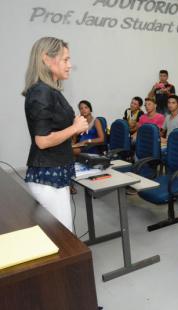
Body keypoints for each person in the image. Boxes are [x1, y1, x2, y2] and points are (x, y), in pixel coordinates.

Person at [23, 37, 88, 232]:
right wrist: (74, 128)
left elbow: (56, 128)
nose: (70, 65)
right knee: (63, 235)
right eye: (65, 59)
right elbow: (42, 141)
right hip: (48, 176)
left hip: (55, 172)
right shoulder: (42, 92)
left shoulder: (51, 90)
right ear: (46, 59)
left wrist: (74, 125)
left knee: (61, 234)